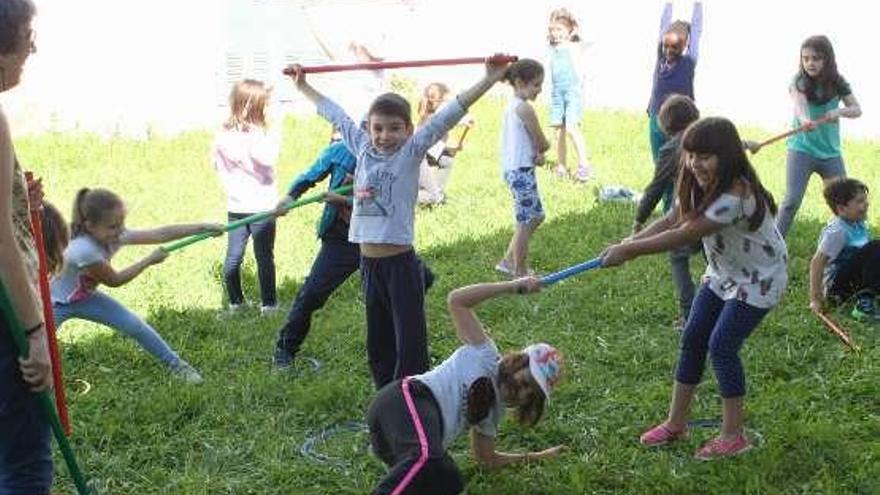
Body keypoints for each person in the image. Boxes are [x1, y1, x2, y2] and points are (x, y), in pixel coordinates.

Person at [285, 54, 512, 389]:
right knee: (379, 339)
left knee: (410, 340)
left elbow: (450, 114)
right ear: (368, 128)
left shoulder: (411, 152)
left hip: (400, 265)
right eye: (378, 128)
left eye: (394, 128)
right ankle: (387, 396)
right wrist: (303, 85)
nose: (385, 136)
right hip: (369, 266)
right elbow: (334, 113)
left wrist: (490, 78)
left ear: (409, 130)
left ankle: (416, 396)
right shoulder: (361, 148)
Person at [603, 117, 788, 459]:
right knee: (692, 338)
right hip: (722, 274)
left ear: (727, 155)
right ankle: (676, 423)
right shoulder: (696, 183)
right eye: (691, 154)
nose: (695, 163)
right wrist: (631, 241)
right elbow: (673, 219)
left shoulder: (736, 193)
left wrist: (629, 251)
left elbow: (686, 233)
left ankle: (734, 436)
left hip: (759, 278)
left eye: (705, 155)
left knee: (721, 346)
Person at [366, 276, 564, 494]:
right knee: (428, 460)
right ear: (516, 364)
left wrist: (538, 457)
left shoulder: (492, 415)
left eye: (531, 394)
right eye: (526, 381)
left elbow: (486, 461)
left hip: (400, 441)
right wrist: (513, 286)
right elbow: (456, 300)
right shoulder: (485, 353)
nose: (523, 391)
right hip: (406, 401)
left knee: (450, 480)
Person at [46, 188, 223, 384]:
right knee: (37, 347)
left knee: (134, 325)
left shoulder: (113, 235)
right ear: (90, 226)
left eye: (122, 224)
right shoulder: (84, 251)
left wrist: (202, 228)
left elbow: (159, 234)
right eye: (113, 226)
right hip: (52, 304)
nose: (120, 231)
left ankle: (177, 366)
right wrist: (148, 260)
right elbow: (115, 280)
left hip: (83, 296)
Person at [0, 0, 54, 490]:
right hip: (5, 320)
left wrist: (18, 197)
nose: (31, 49)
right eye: (26, 38)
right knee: (24, 461)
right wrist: (34, 331)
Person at [772, 35, 862, 238]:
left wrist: (838, 112)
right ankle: (774, 246)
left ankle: (849, 245)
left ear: (827, 59)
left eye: (816, 58)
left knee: (844, 202)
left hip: (830, 153)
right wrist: (805, 120)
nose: (810, 63)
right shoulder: (798, 81)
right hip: (801, 150)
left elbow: (857, 109)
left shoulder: (838, 82)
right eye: (806, 58)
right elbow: (799, 103)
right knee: (791, 202)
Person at [212, 79, 280, 315]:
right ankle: (269, 305)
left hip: (236, 205)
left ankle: (235, 303)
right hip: (263, 206)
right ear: (255, 107)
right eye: (266, 105)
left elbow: (215, 164)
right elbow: (268, 159)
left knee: (233, 256)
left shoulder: (222, 134)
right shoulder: (258, 135)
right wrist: (273, 130)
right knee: (264, 257)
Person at [632, 94, 700, 327]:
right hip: (714, 214)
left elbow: (656, 188)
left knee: (678, 255)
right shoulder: (711, 137)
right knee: (715, 257)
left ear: (665, 125)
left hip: (690, 213)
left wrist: (639, 220)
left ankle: (689, 313)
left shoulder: (671, 149)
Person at [495, 59, 550, 279]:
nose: (540, 90)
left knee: (533, 217)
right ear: (519, 82)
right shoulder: (525, 108)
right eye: (536, 84)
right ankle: (518, 269)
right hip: (520, 171)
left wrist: (535, 152)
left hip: (514, 168)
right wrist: (542, 150)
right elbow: (542, 141)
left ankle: (508, 261)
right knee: (528, 220)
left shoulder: (512, 106)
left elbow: (527, 139)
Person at [646, 1, 702, 211]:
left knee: (682, 166)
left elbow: (697, 29)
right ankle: (667, 207)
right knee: (662, 165)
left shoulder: (689, 61)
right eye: (666, 45)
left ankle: (680, 206)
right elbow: (663, 24)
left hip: (682, 124)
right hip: (657, 120)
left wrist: (698, 5)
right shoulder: (660, 57)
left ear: (686, 45)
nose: (669, 50)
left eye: (675, 47)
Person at [809, 178, 880, 321]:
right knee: (875, 247)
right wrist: (816, 299)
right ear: (841, 209)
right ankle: (864, 305)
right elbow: (817, 263)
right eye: (859, 201)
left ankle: (869, 295)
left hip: (854, 281)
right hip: (837, 289)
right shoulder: (837, 231)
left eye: (865, 200)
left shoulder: (858, 224)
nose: (866, 204)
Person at [546, 7, 593, 182]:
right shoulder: (552, 48)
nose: (555, 33)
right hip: (557, 93)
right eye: (552, 29)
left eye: (559, 29)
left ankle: (584, 166)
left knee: (572, 129)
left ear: (569, 30)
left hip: (573, 92)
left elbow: (589, 41)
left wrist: (575, 30)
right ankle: (561, 166)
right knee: (558, 130)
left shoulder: (574, 46)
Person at [416, 82, 474, 206]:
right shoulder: (436, 117)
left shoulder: (428, 115)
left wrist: (453, 147)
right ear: (438, 101)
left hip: (428, 155)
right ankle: (418, 197)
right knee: (432, 196)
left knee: (446, 160)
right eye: (446, 102)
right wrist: (465, 120)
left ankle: (435, 193)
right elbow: (453, 120)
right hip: (422, 158)